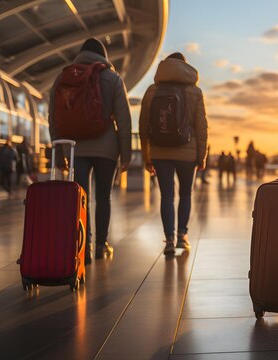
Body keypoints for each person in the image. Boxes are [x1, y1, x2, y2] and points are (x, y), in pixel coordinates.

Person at [49, 37, 132, 263]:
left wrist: (58, 153)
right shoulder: (113, 78)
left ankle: (82, 249)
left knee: (80, 199)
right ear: (103, 56)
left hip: (76, 149)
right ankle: (100, 245)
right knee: (103, 197)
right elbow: (123, 118)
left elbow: (54, 118)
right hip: (106, 148)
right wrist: (126, 154)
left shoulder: (63, 77)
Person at [139, 52, 208, 256]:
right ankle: (182, 237)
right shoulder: (195, 91)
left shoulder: (153, 90)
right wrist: (202, 155)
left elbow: (143, 125)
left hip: (160, 152)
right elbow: (201, 126)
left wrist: (146, 155)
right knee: (185, 194)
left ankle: (169, 239)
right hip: (188, 152)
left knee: (166, 195)